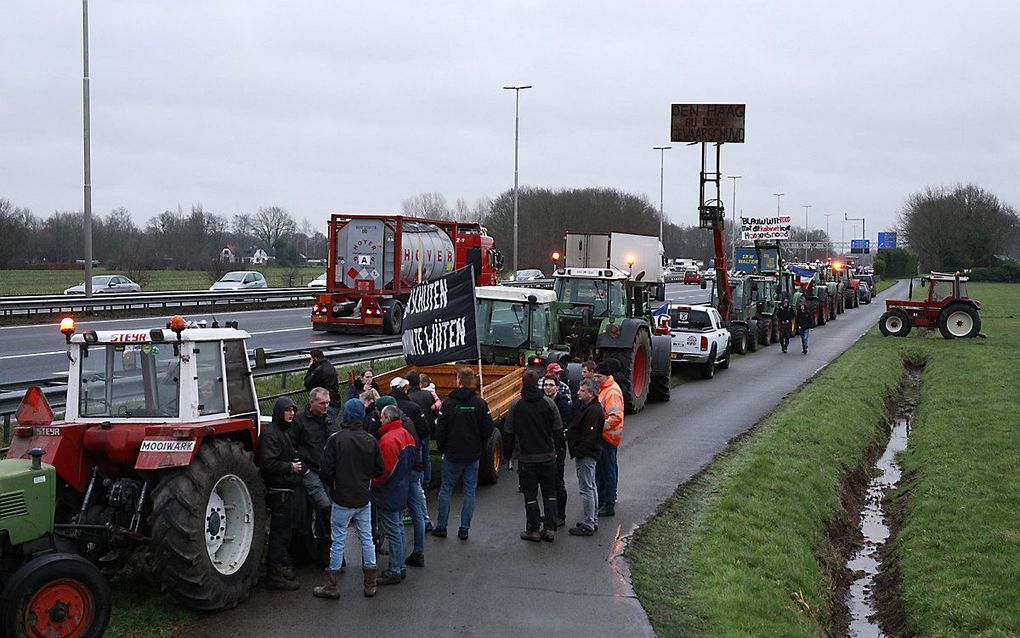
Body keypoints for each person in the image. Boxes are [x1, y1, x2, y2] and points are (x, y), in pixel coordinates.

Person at [314, 399, 384, 600]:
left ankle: (332, 585)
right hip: (363, 497)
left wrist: (335, 484)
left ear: (345, 415)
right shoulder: (371, 439)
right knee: (367, 539)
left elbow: (325, 471)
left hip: (342, 497)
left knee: (338, 541)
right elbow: (379, 469)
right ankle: (370, 583)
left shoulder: (336, 440)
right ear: (362, 415)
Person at [433, 367, 493, 541]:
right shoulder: (480, 403)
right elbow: (488, 429)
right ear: (473, 381)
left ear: (458, 380)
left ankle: (442, 526)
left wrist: (443, 447)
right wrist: (478, 444)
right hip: (472, 455)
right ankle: (464, 528)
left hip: (452, 454)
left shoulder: (448, 404)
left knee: (446, 489)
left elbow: (441, 430)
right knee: (469, 491)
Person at [506, 370, 563, 542]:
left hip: (526, 458)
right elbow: (558, 430)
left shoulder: (516, 406)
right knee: (550, 492)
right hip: (547, 456)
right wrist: (558, 452)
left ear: (523, 384)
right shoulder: (549, 404)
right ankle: (550, 527)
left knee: (530, 495)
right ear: (538, 384)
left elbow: (508, 432)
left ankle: (533, 529)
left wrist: (508, 455)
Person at [258, 397, 303, 590]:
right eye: (287, 410)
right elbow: (267, 463)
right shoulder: (271, 435)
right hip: (279, 491)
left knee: (285, 533)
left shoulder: (284, 432)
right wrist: (290, 467)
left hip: (287, 489)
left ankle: (280, 567)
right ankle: (274, 573)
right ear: (279, 412)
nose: (291, 413)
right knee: (279, 533)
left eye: (293, 410)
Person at [373, 404, 418, 585]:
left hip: (389, 492)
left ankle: (394, 569)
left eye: (382, 417)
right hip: (401, 488)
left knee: (393, 531)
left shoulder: (388, 440)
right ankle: (400, 566)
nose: (380, 420)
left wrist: (373, 482)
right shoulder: (405, 434)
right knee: (398, 529)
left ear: (388, 418)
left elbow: (385, 471)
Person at [566, 379, 605, 536]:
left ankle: (588, 523)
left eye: (582, 391)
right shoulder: (591, 408)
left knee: (586, 488)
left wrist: (578, 451)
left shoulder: (593, 411)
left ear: (591, 393)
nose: (578, 393)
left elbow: (589, 437)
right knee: (591, 486)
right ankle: (592, 519)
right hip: (589, 454)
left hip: (587, 455)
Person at [291, 388, 336, 512]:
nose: (326, 406)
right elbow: (290, 446)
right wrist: (304, 469)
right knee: (325, 505)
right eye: (322, 403)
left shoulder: (329, 419)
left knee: (330, 507)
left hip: (328, 470)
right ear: (311, 402)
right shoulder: (299, 420)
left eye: (328, 403)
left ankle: (324, 531)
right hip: (310, 470)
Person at [593, 361, 624, 518]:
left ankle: (608, 504)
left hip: (607, 438)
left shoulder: (611, 392)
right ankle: (604, 500)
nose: (596, 379)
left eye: (598, 376)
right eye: (595, 376)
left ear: (606, 376)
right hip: (606, 437)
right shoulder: (605, 388)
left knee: (607, 471)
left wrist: (599, 427)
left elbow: (616, 417)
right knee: (605, 470)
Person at [543, 372, 571, 528]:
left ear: (557, 388)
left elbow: (566, 423)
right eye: (546, 385)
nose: (547, 388)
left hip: (558, 447)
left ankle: (561, 515)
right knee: (548, 483)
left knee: (558, 482)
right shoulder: (544, 402)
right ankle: (550, 513)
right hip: (546, 447)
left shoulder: (562, 403)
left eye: (551, 385)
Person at [303, 350, 341, 422]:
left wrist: (310, 368)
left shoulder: (319, 370)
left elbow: (307, 383)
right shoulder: (329, 366)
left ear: (315, 359)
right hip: (335, 401)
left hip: (326, 404)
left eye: (311, 359)